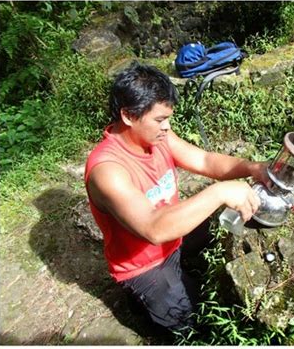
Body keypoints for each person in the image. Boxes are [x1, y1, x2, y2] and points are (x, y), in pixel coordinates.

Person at [84, 61, 267, 334]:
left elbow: (205, 160)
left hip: (175, 236)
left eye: (168, 118)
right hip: (146, 265)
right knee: (191, 326)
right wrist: (219, 191)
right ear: (128, 116)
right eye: (160, 119)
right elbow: (153, 228)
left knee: (224, 226)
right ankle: (141, 299)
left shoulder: (157, 137)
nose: (167, 127)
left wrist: (253, 167)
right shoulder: (107, 171)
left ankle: (182, 271)